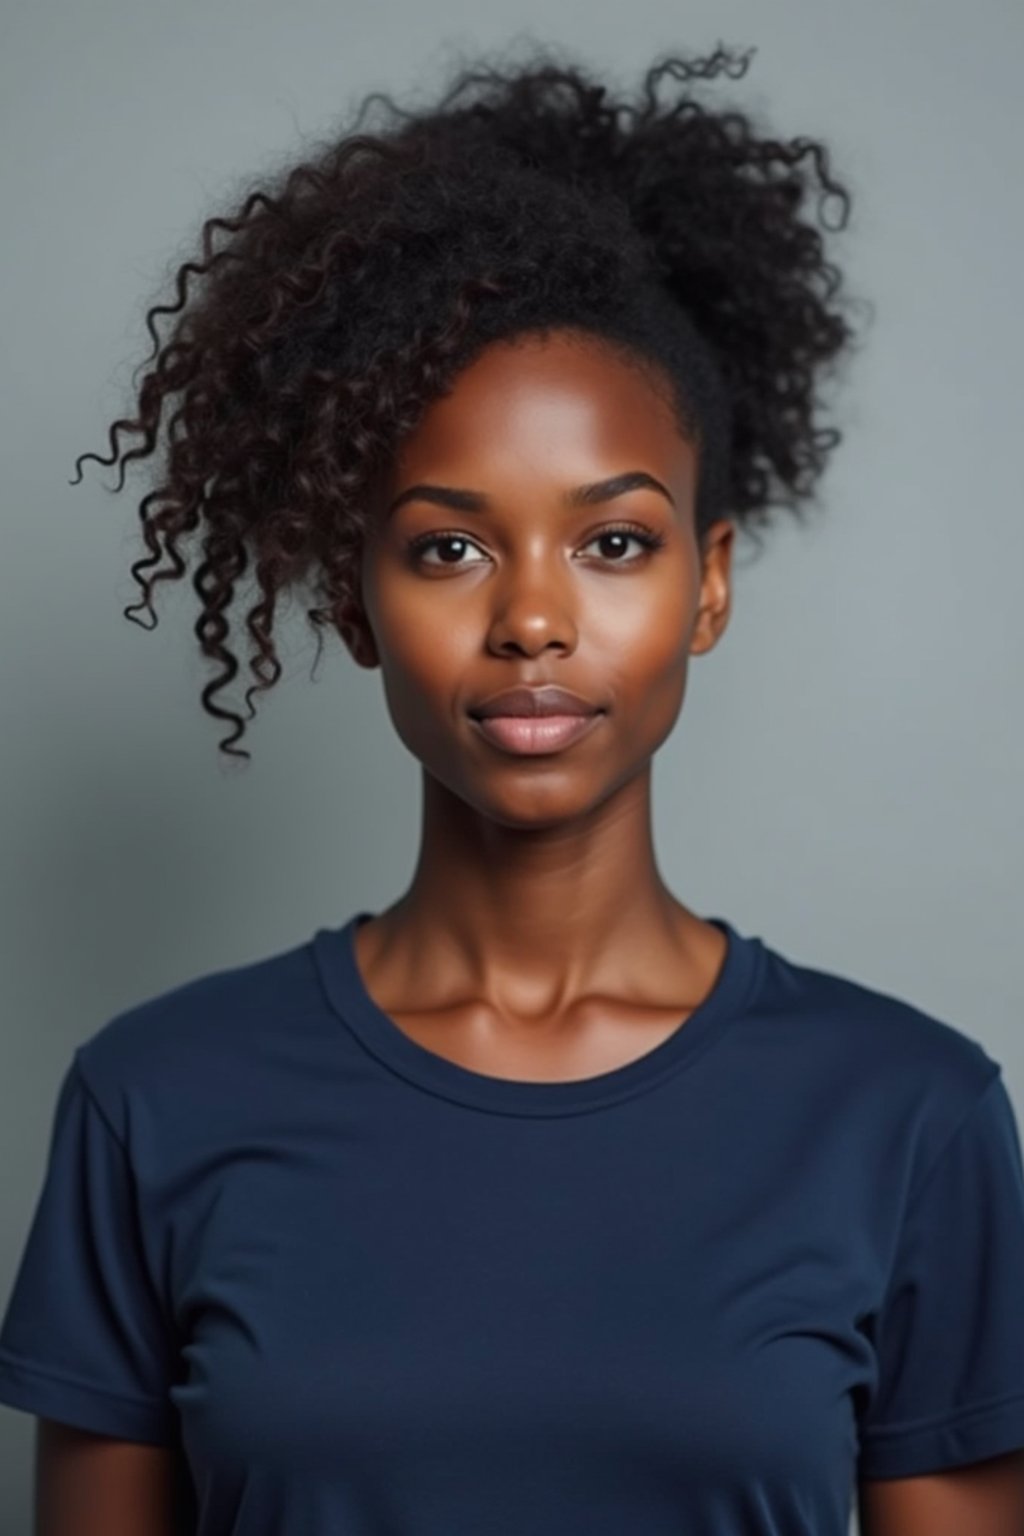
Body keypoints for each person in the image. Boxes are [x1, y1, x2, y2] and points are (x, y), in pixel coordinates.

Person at [1, 41, 1023, 1536]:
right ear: (352, 598)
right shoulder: (155, 1103)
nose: (532, 620)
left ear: (709, 585)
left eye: (613, 543)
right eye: (447, 546)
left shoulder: (908, 1118)